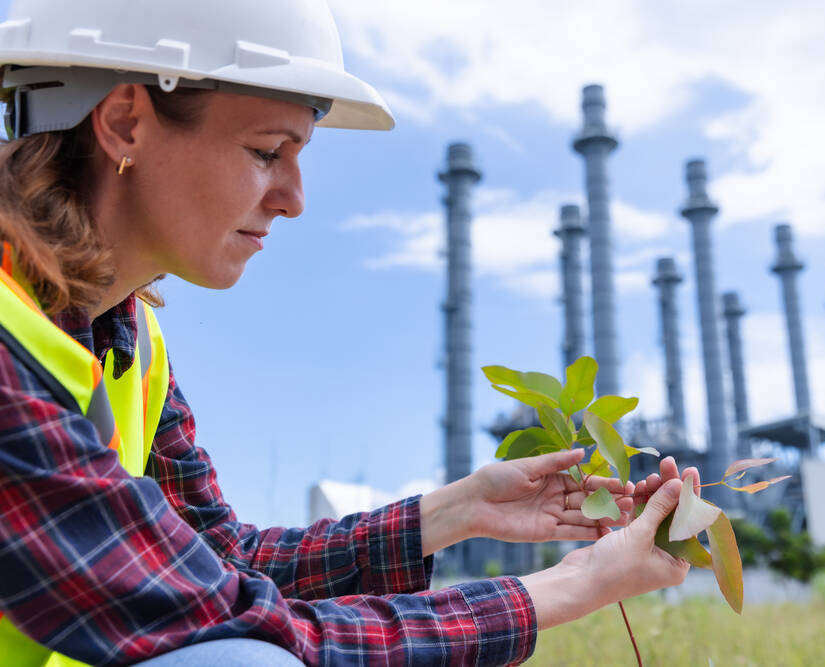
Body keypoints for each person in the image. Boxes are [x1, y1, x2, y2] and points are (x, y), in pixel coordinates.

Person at [0, 1, 700, 665]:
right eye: (267, 151)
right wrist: (571, 584)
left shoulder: (128, 343)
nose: (295, 199)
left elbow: (223, 559)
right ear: (125, 122)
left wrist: (457, 509)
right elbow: (226, 616)